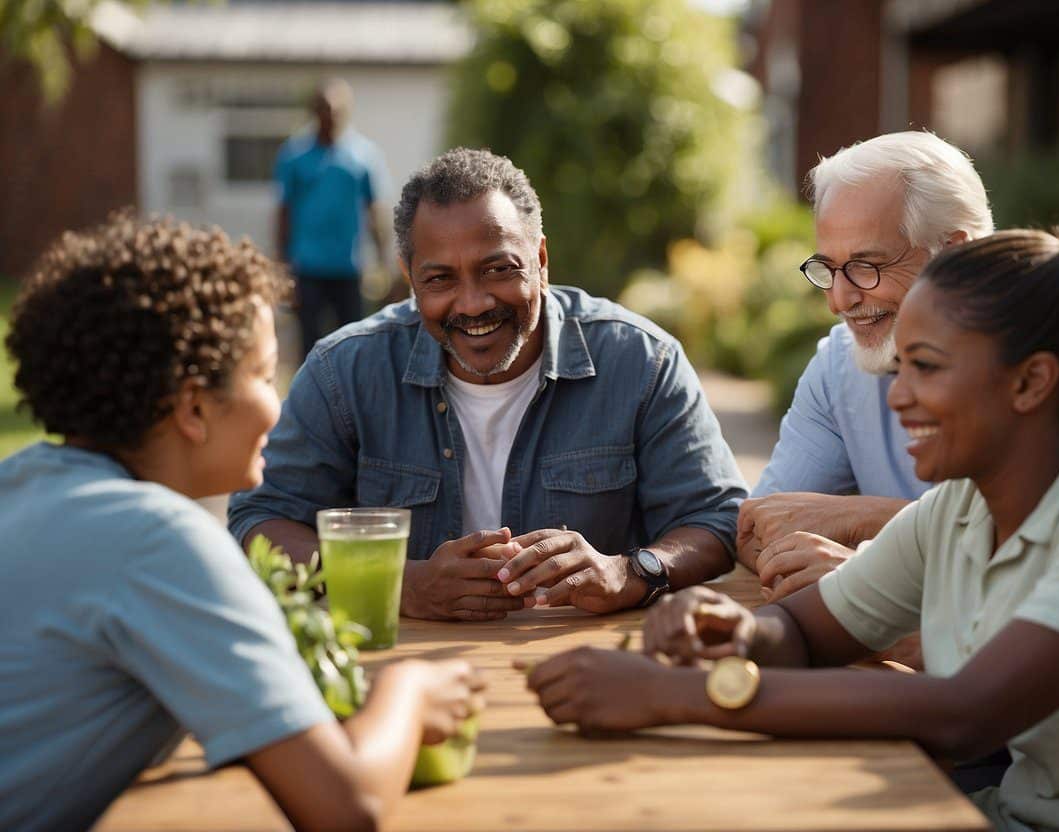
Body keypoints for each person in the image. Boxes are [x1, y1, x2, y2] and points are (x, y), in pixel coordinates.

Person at [521, 219, 1059, 832]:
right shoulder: (961, 504)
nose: (899, 397)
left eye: (925, 369)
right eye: (898, 368)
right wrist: (734, 632)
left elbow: (965, 714)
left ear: (1030, 382)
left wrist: (674, 695)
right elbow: (802, 632)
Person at [0, 214, 485, 831]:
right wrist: (410, 692)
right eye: (262, 374)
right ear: (195, 409)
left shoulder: (24, 484)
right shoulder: (157, 539)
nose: (276, 404)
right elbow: (345, 805)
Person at [229, 148, 747, 622]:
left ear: (541, 261)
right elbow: (261, 520)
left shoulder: (641, 361)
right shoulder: (343, 371)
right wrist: (398, 584)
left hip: (590, 669)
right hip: (401, 673)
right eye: (440, 280)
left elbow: (717, 519)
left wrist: (630, 573)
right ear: (410, 279)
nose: (473, 303)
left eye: (498, 269)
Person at [740, 131, 1059, 601]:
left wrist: (877, 531)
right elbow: (761, 533)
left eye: (868, 265)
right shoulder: (841, 361)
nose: (839, 301)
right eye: (828, 269)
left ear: (954, 250)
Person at [275, 78, 390, 358]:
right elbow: (283, 211)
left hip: (348, 267)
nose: (331, 115)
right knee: (309, 344)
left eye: (337, 109)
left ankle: (349, 400)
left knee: (353, 343)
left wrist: (383, 259)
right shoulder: (294, 155)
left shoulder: (364, 156)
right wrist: (282, 262)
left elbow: (374, 210)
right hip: (308, 266)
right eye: (325, 109)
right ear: (314, 111)